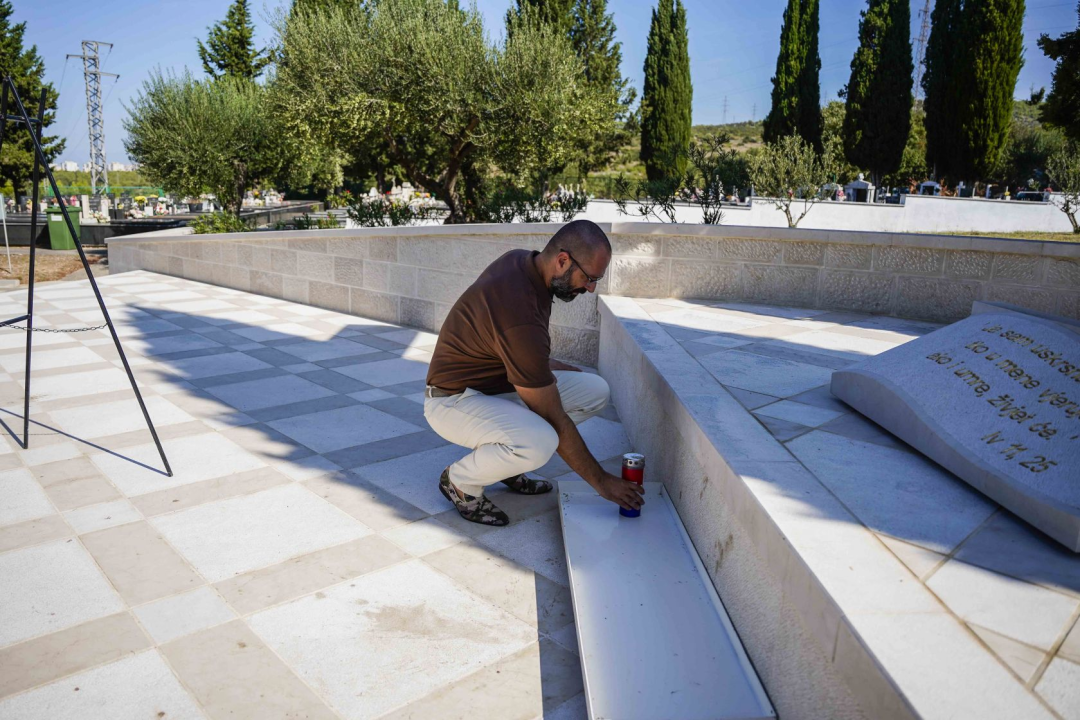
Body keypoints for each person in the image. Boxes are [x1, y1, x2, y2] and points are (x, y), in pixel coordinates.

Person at [424, 219, 645, 526]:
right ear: (563, 260)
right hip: (451, 400)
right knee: (539, 441)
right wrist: (601, 482)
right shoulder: (519, 311)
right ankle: (460, 482)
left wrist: (540, 365)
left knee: (594, 390)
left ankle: (505, 465)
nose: (591, 288)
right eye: (590, 278)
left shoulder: (523, 262)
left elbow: (505, 341)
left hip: (492, 386)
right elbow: (555, 416)